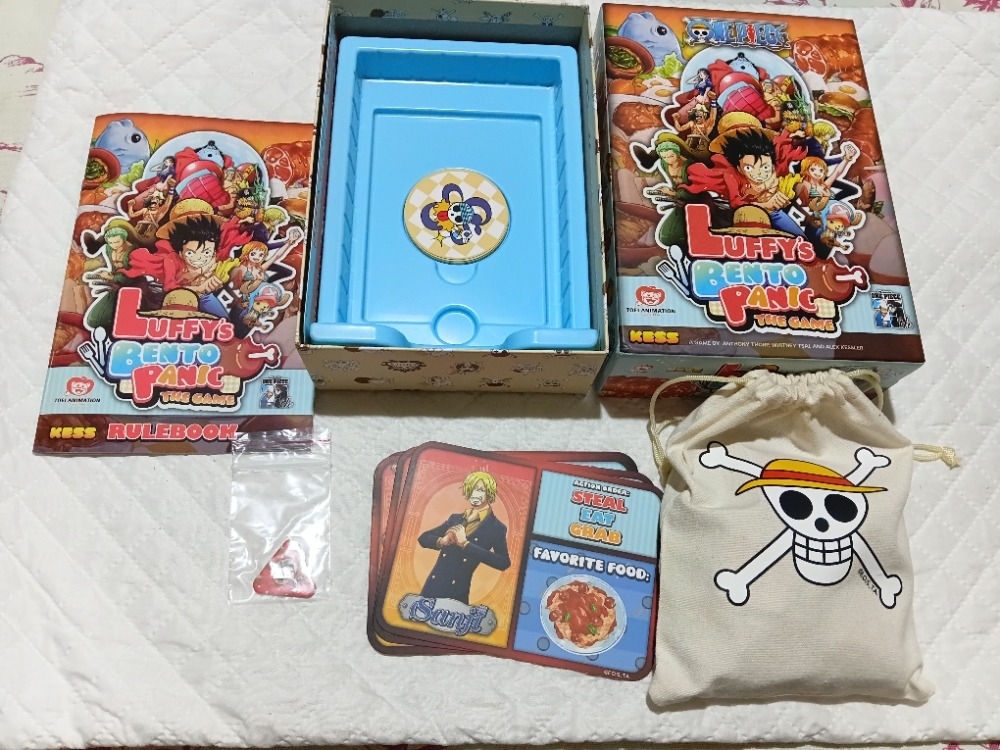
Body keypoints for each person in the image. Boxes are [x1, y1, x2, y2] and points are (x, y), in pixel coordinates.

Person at [417, 470, 511, 605]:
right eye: (471, 489)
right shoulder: (455, 518)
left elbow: (503, 562)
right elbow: (423, 538)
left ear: (489, 493)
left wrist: (466, 544)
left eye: (480, 490)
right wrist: (441, 541)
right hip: (432, 587)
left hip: (456, 593)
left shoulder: (496, 528)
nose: (474, 494)